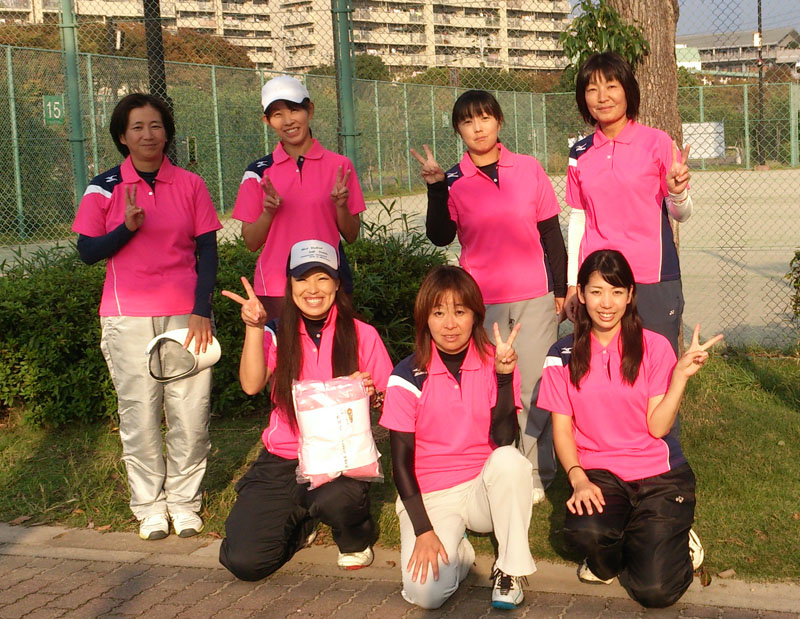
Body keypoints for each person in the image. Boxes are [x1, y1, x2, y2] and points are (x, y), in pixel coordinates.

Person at [72, 93, 222, 541]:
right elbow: (87, 252)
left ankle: (184, 502)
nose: (148, 135)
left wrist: (201, 310)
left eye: (155, 125)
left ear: (167, 132)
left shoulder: (191, 184)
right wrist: (126, 228)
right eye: (137, 127)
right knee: (139, 414)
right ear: (122, 136)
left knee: (190, 412)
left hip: (184, 316)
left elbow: (208, 252)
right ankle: (150, 507)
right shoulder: (103, 187)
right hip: (127, 316)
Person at [537, 249, 722, 608]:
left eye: (616, 292)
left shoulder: (655, 346)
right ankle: (620, 551)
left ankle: (674, 537)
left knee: (655, 592)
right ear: (581, 294)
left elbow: (658, 427)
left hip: (659, 474)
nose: (606, 303)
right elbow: (562, 430)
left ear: (630, 295)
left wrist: (680, 377)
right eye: (596, 291)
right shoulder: (561, 354)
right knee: (584, 533)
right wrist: (577, 477)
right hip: (601, 473)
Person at [410, 89, 567, 495]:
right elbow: (440, 235)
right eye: (467, 121)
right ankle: (493, 469)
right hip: (481, 303)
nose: (477, 127)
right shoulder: (453, 180)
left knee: (534, 387)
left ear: (499, 121)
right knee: (493, 390)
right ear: (458, 130)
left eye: (484, 117)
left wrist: (561, 288)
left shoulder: (529, 168)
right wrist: (436, 188)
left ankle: (536, 474)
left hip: (535, 297)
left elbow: (551, 232)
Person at [218, 239, 393, 581]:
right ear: (290, 284)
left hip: (339, 461)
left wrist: (372, 394)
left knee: (337, 499)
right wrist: (254, 328)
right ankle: (302, 523)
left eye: (323, 278)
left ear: (337, 283)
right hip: (284, 458)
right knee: (244, 561)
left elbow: (389, 404)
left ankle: (355, 537)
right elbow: (251, 384)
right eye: (302, 279)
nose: (313, 289)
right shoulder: (276, 333)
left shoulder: (363, 334)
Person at [380, 265, 537, 610]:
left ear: (476, 316)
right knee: (426, 594)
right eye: (438, 313)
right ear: (425, 319)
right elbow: (401, 465)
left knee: (510, 461)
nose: (449, 324)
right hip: (433, 496)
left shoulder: (496, 361)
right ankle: (460, 553)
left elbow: (504, 438)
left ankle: (509, 570)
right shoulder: (406, 376)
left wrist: (504, 377)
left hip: (483, 489)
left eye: (460, 312)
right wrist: (424, 530)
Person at [564, 51, 693, 361]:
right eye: (592, 89)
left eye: (611, 86)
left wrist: (677, 192)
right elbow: (579, 219)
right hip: (599, 280)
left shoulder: (658, 142)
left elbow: (682, 213)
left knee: (657, 369)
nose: (602, 97)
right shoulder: (579, 152)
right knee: (601, 370)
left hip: (652, 276)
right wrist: (572, 284)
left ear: (627, 90)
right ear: (583, 98)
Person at [232, 75, 364, 318]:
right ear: (267, 121)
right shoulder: (257, 172)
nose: (288, 120)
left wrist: (341, 207)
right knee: (278, 345)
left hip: (328, 285)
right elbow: (251, 242)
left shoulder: (340, 166)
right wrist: (268, 213)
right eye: (277, 114)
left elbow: (352, 234)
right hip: (275, 288)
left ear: (309, 110)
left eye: (294, 109)